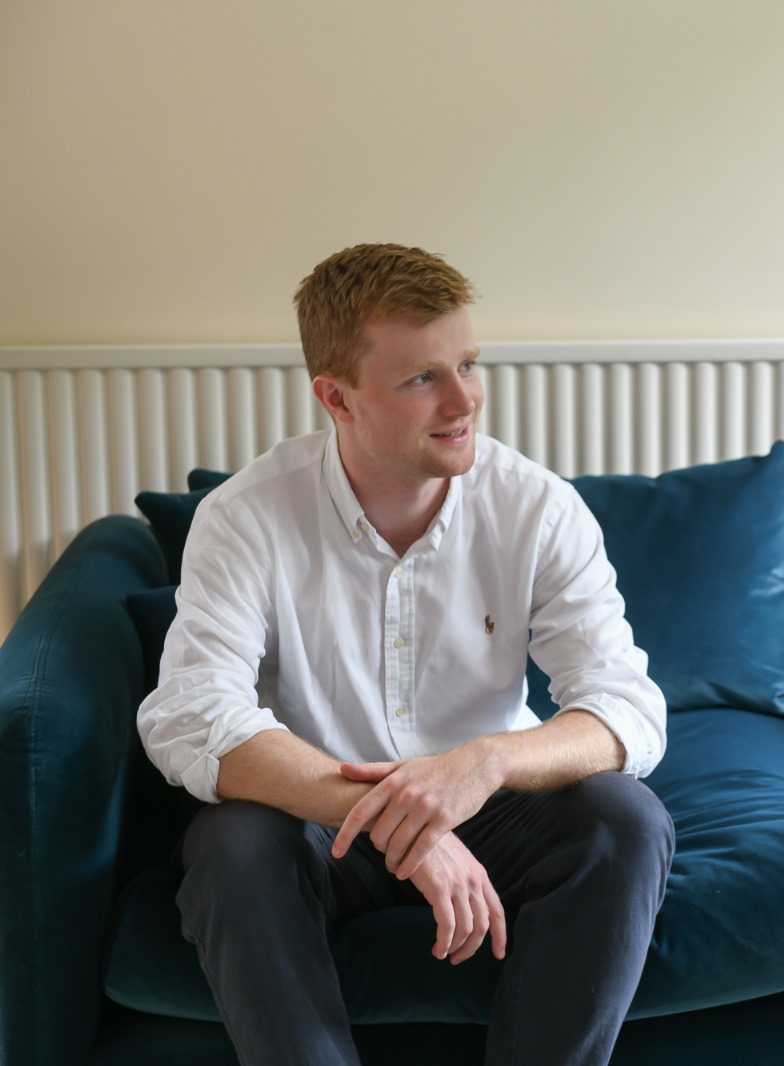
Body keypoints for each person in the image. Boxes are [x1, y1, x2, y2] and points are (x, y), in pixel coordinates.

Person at [137, 243, 674, 1066]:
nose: (464, 400)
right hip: (316, 812)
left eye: (467, 363)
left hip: (486, 806)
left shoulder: (537, 507)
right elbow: (191, 716)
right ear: (336, 396)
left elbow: (626, 709)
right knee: (230, 847)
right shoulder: (244, 517)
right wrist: (406, 827)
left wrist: (486, 763)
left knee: (627, 821)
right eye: (423, 378)